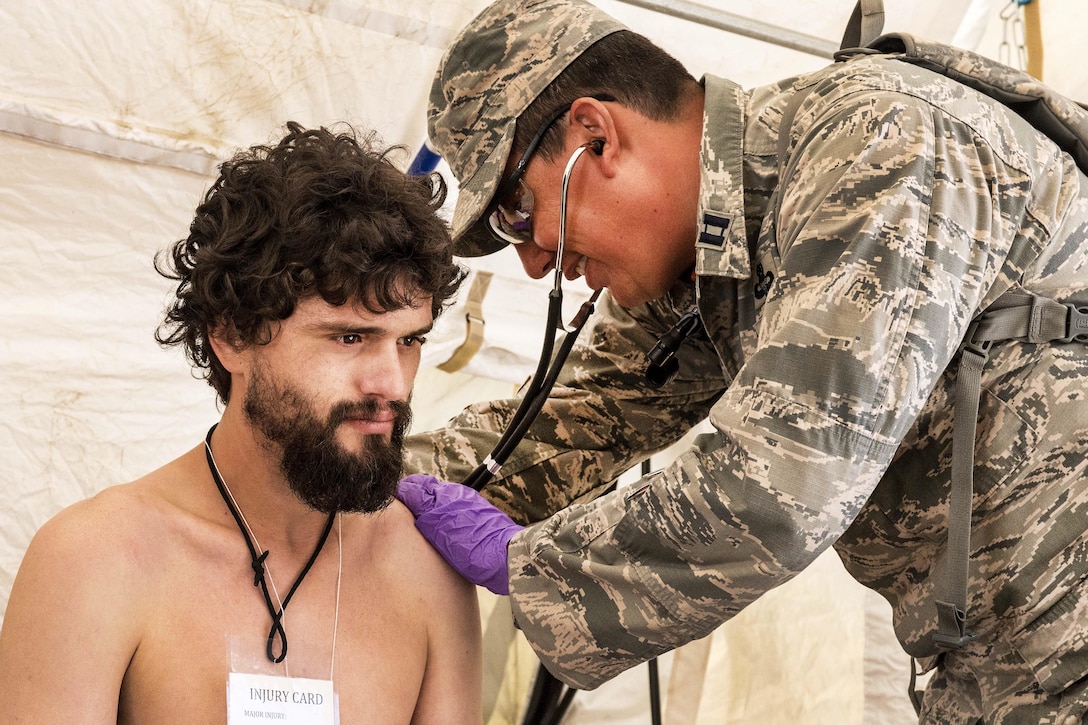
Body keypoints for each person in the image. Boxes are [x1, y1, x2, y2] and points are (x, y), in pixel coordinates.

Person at [394, 0, 1088, 721]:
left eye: (516, 211)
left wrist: (529, 566)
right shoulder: (706, 259)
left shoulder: (879, 145)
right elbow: (568, 426)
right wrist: (360, 482)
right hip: (1000, 678)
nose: (536, 261)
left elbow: (782, 485)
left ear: (594, 137)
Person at [0, 122, 481, 724]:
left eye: (409, 341)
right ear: (232, 335)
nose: (391, 383)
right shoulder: (99, 561)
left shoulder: (426, 570)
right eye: (349, 336)